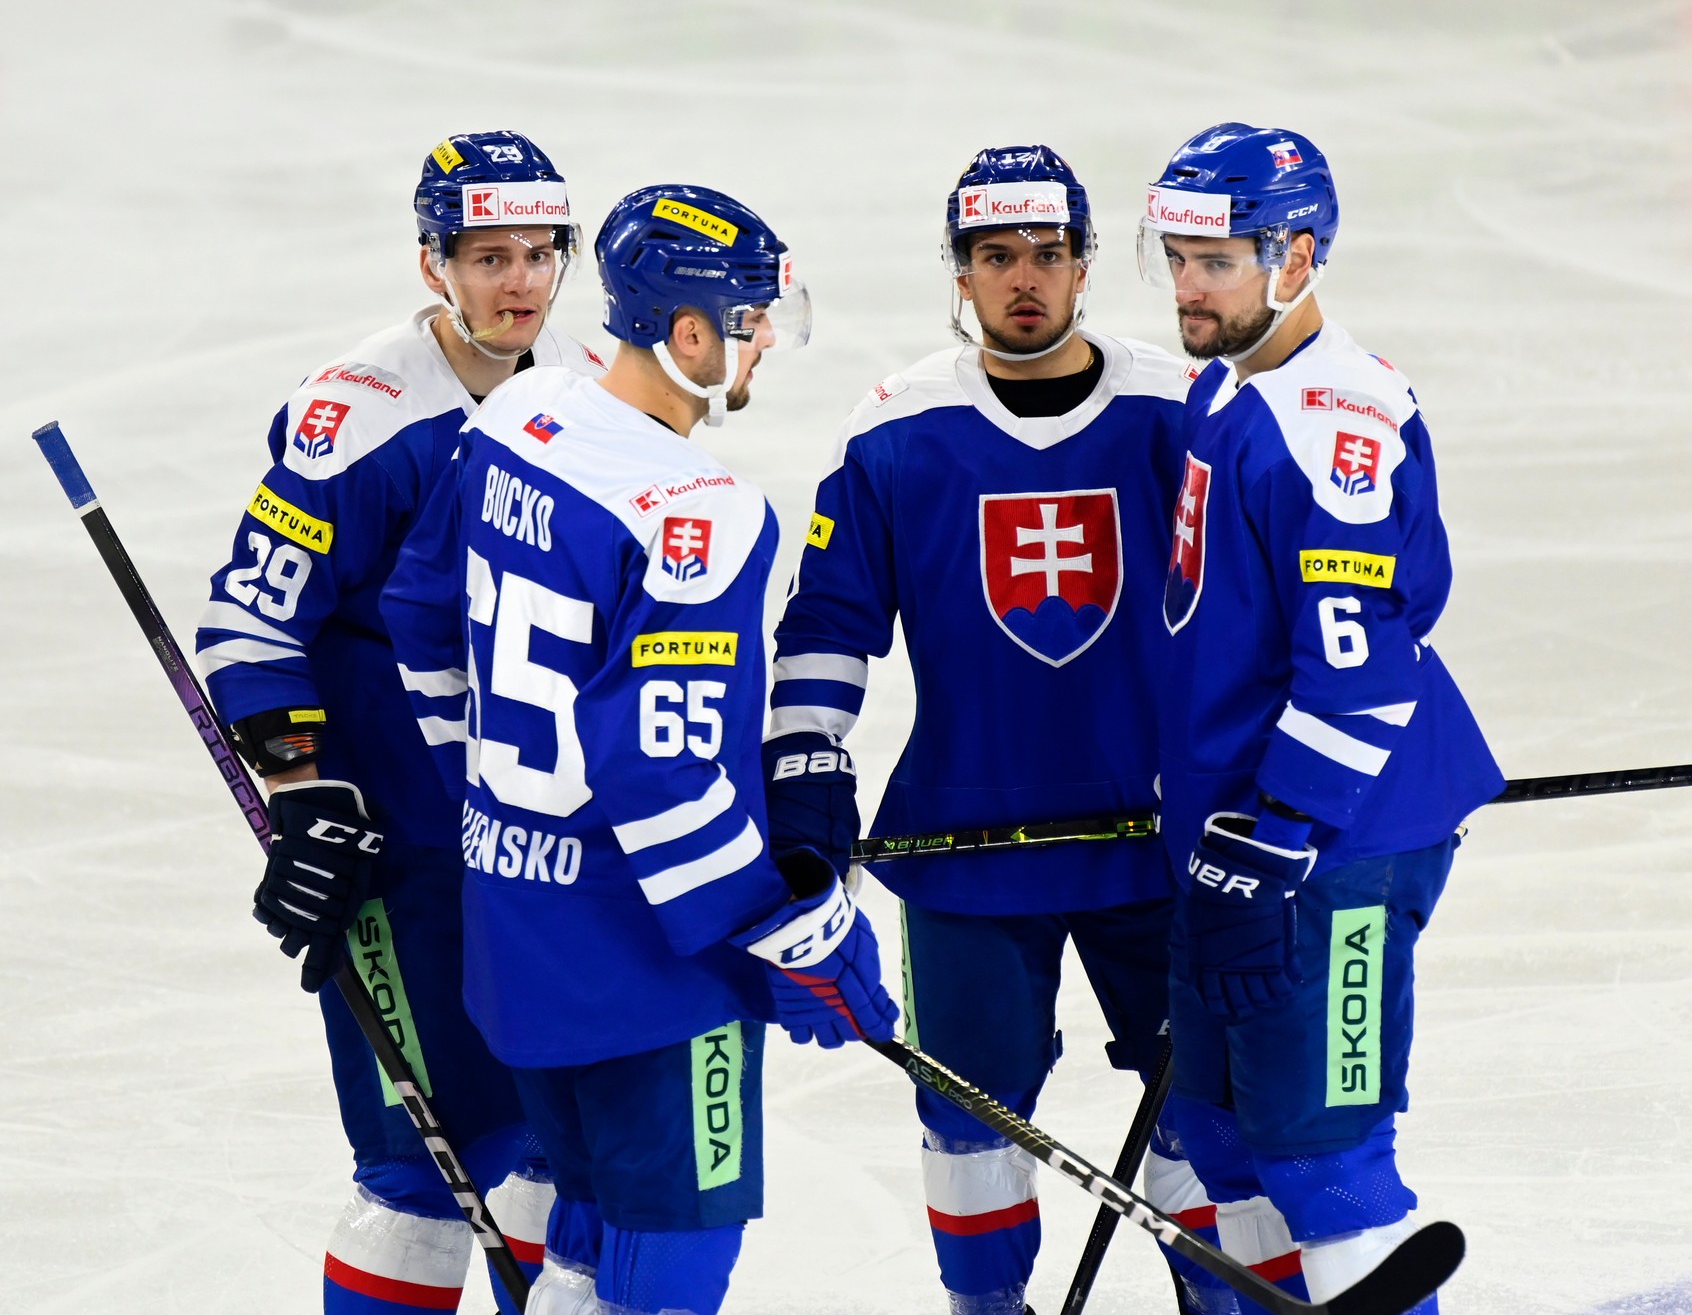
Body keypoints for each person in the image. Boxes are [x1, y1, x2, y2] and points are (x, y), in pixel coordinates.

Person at [381, 183, 897, 1315]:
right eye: (753, 321)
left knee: (584, 1233)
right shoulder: (695, 509)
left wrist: (493, 803)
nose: (766, 342)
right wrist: (800, 935)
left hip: (516, 939)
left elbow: (417, 615)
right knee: (671, 1253)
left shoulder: (518, 420)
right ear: (691, 334)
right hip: (654, 970)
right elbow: (662, 777)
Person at [763, 144, 1234, 1315]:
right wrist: (808, 799)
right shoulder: (895, 432)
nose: (1021, 278)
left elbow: (1253, 609)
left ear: (1085, 265)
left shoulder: (1178, 414)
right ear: (958, 275)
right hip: (967, 848)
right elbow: (827, 628)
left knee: (1207, 1110)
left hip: (1159, 848)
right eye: (993, 257)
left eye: (1045, 253)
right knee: (968, 1122)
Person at [193, 130, 605, 1314]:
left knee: (546, 1156)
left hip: (540, 849)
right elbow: (248, 622)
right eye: (488, 256)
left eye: (540, 254)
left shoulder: (588, 401)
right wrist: (310, 788)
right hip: (400, 856)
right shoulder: (355, 416)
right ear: (434, 262)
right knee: (418, 1172)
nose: (519, 282)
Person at [1137, 121, 1505, 1313]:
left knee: (1315, 1148)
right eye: (1176, 260)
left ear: (1295, 257)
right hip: (1237, 837)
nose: (1189, 289)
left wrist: (1275, 838)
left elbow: (1359, 676)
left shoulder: (1335, 426)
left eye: (1218, 263)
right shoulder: (1221, 387)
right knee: (1208, 1129)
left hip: (1330, 844)